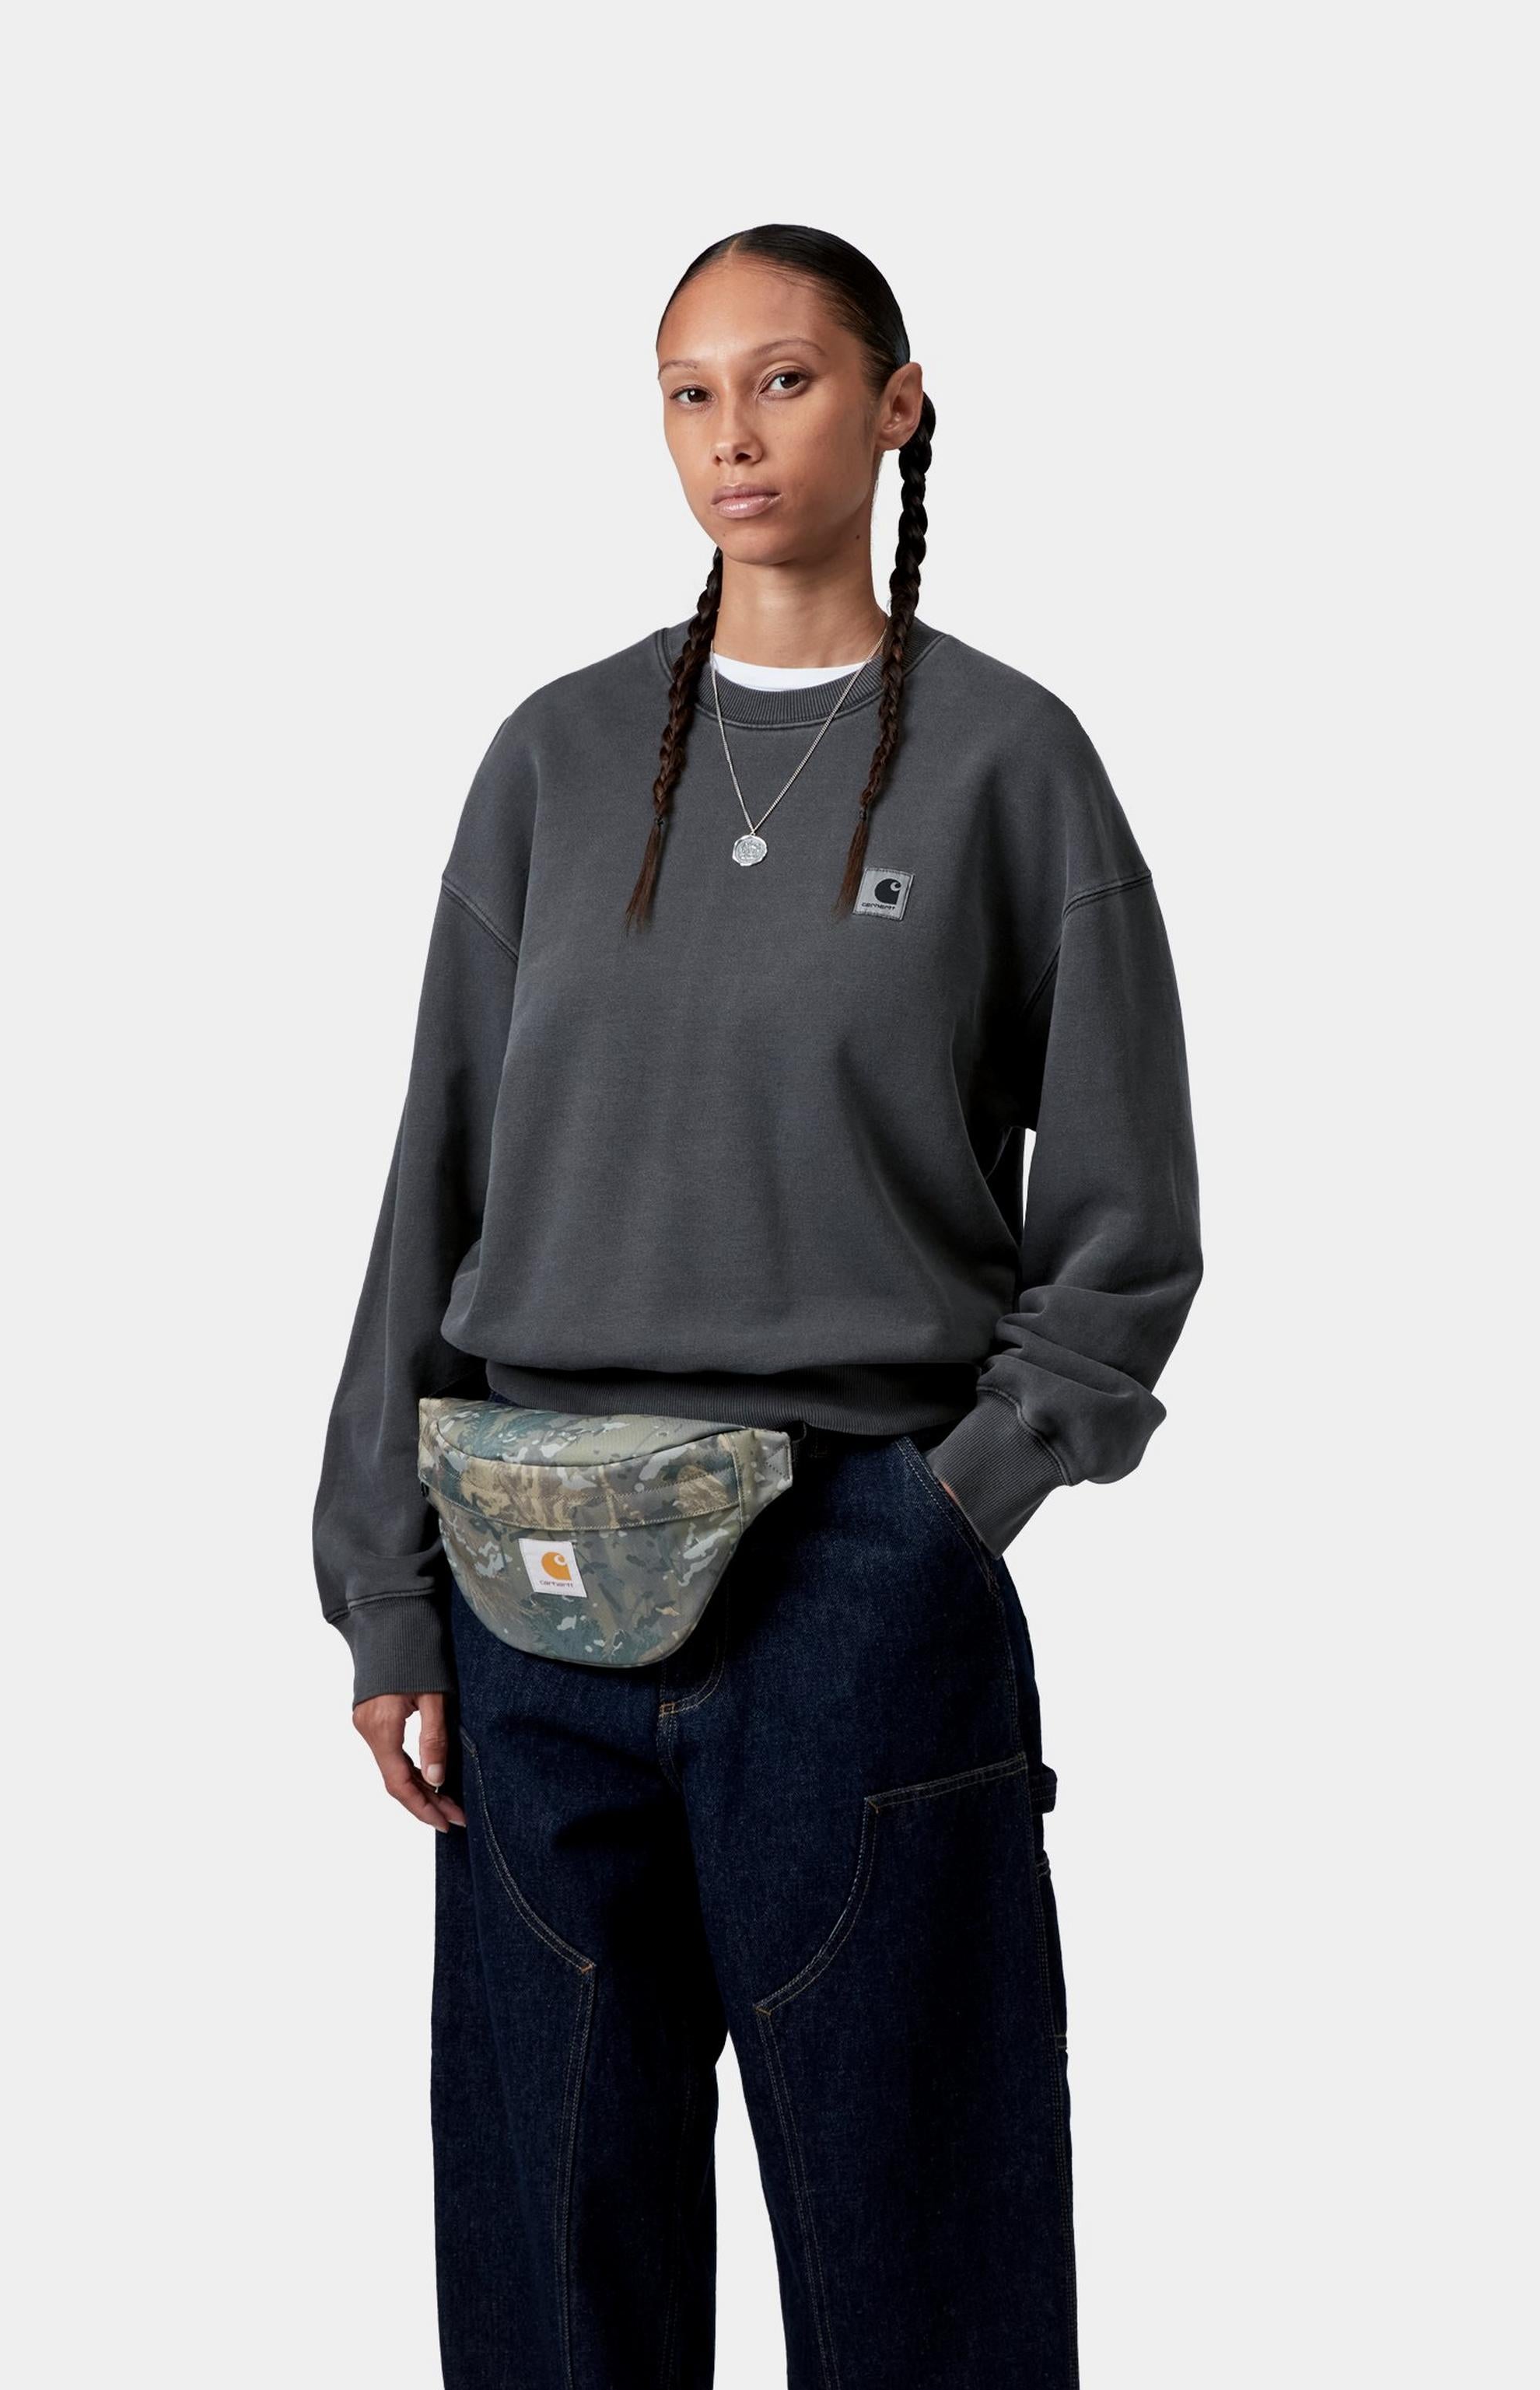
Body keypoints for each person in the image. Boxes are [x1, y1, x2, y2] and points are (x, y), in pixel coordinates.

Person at [312, 222, 1202, 2390]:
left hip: (853, 1588)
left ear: (896, 404)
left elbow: (1127, 1223)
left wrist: (947, 1504)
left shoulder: (1010, 762)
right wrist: (387, 1589)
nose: (734, 433)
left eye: (786, 380)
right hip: (529, 1591)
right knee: (553, 2286)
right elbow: (434, 1181)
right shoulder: (550, 759)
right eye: (691, 391)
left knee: (922, 2274)